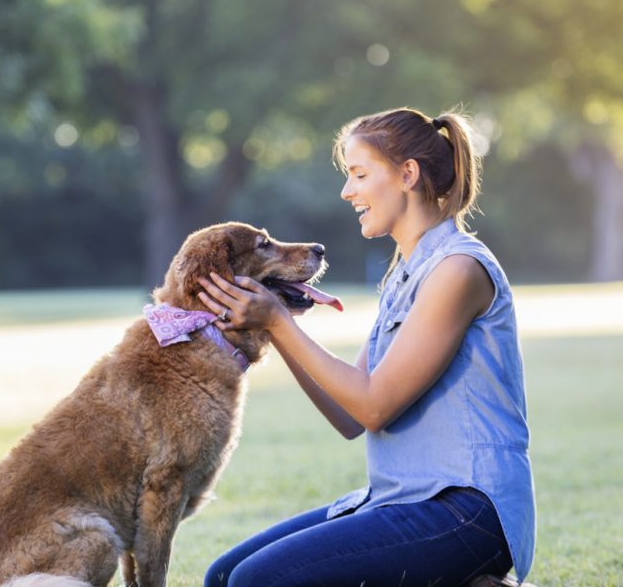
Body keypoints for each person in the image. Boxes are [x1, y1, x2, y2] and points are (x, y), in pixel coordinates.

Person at [197, 107, 536, 587]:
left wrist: (277, 320)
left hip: (468, 511)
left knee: (256, 582)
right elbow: (350, 416)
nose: (347, 191)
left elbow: (374, 408)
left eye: (359, 174)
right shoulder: (405, 273)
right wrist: (273, 324)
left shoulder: (457, 271)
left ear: (407, 174)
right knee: (224, 575)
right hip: (403, 499)